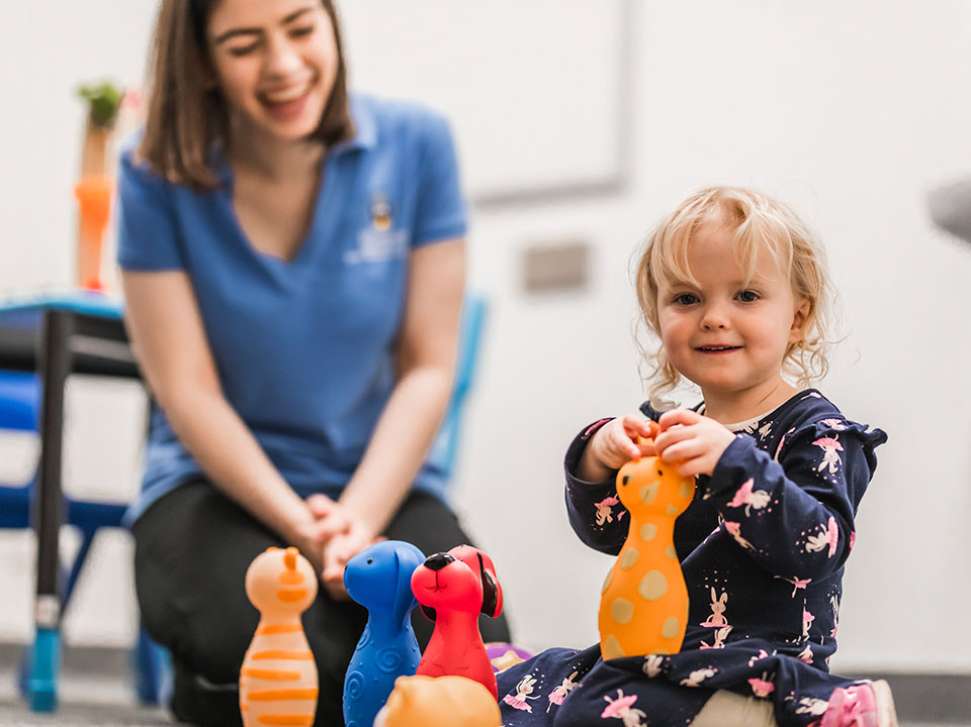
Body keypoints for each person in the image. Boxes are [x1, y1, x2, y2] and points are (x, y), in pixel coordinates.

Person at [116, 1, 510, 724]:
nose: (284, 65)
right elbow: (187, 389)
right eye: (243, 44)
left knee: (469, 650)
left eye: (300, 27)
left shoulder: (416, 144)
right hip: (215, 486)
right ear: (201, 59)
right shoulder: (152, 171)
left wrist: (356, 520)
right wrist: (304, 528)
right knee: (280, 650)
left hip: (376, 486)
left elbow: (429, 366)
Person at [496, 187, 896, 726]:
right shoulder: (669, 429)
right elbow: (608, 532)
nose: (713, 317)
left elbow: (817, 546)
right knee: (520, 687)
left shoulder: (818, 433)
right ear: (659, 319)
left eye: (747, 296)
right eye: (687, 299)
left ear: (797, 319)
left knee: (596, 714)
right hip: (656, 656)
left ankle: (828, 709)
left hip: (753, 665)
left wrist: (733, 461)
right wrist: (599, 455)